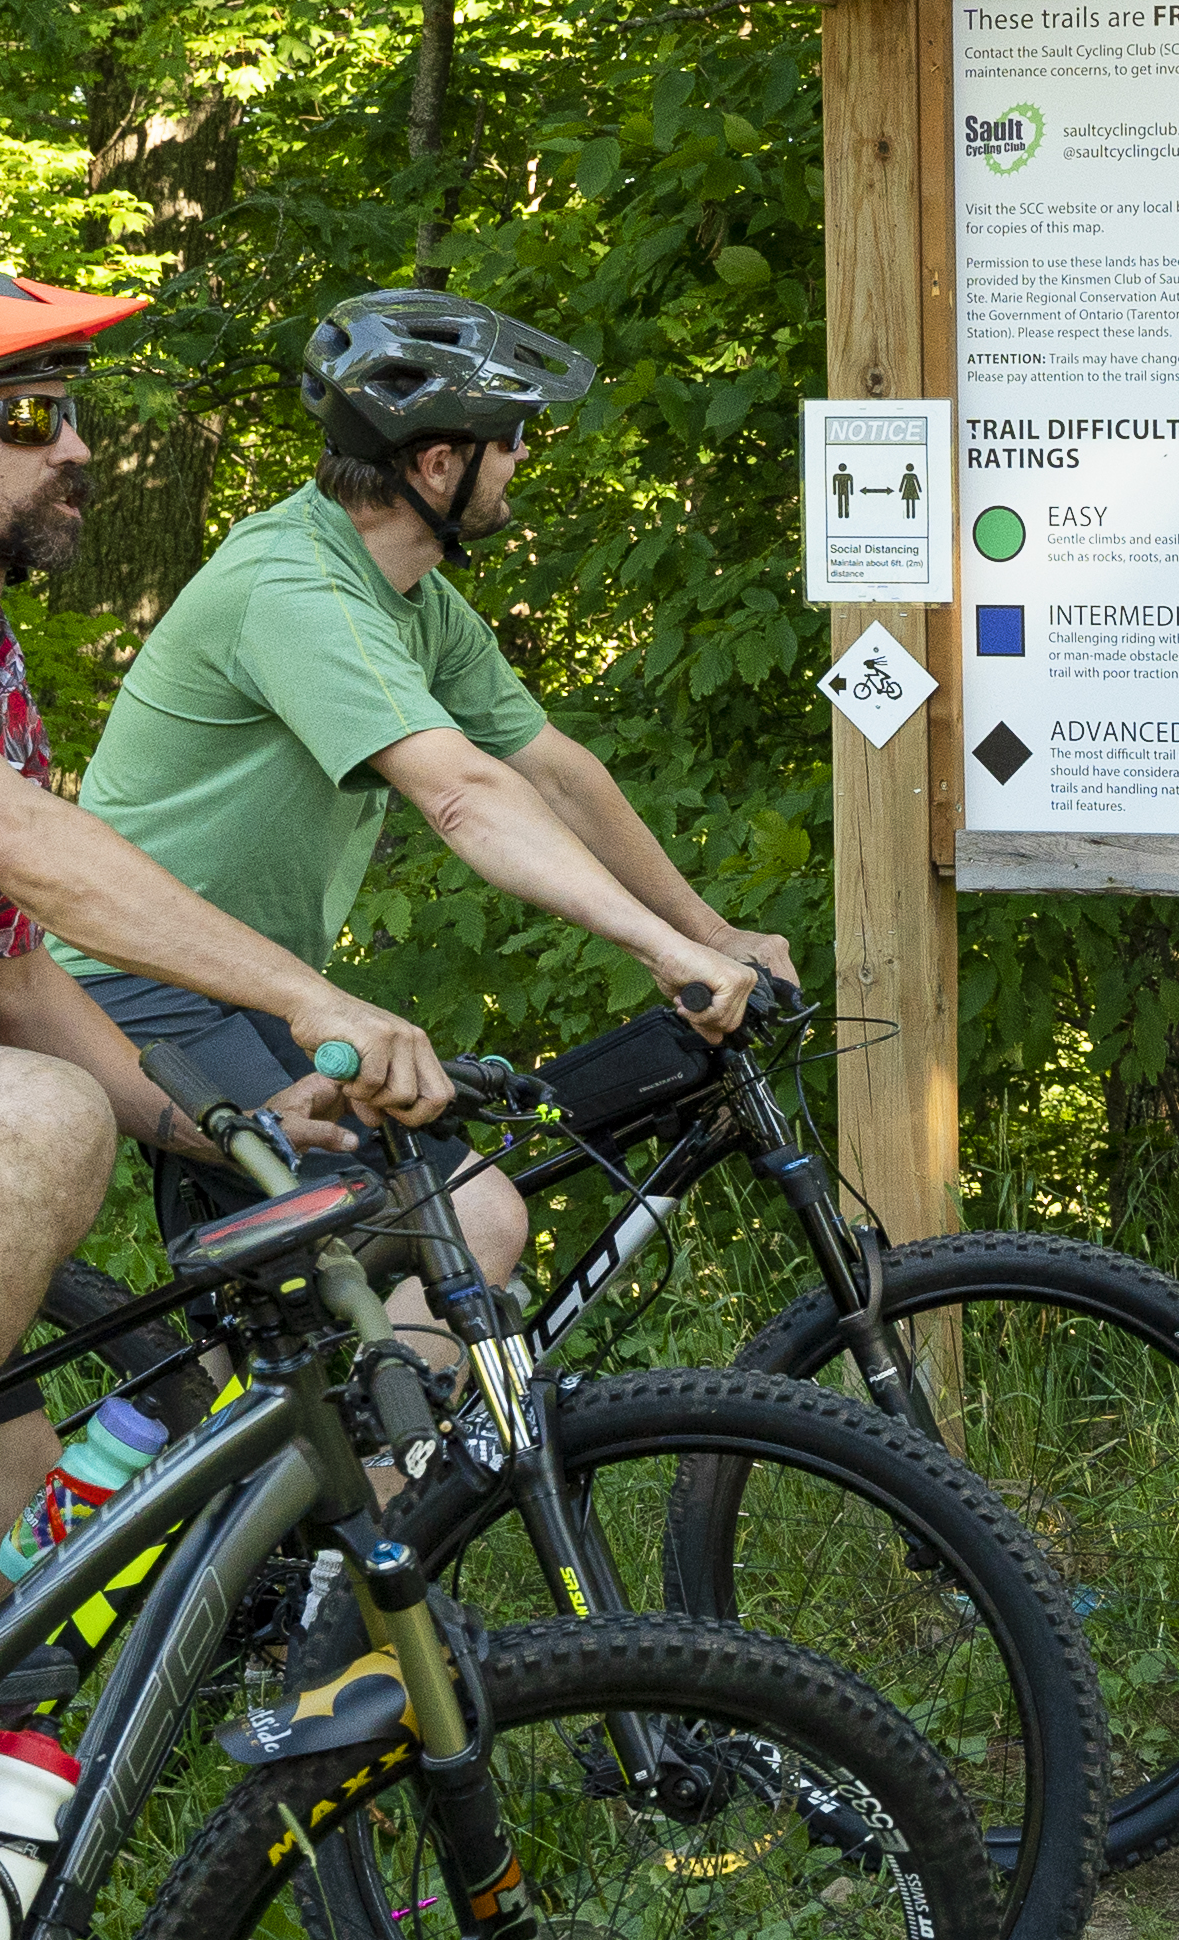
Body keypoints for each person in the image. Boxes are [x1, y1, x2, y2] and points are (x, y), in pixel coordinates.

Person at [67, 291, 792, 1752]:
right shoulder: (302, 588)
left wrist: (704, 933)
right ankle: (345, 1628)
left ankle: (263, 1572)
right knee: (472, 1221)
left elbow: (551, 768)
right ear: (434, 458)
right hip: (133, 989)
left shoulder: (402, 592)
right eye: (511, 441)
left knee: (353, 1283)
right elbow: (457, 796)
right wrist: (658, 946)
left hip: (246, 988)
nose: (525, 467)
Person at [0, 262, 450, 1578]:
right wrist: (308, 998)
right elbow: (32, 851)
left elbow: (6, 976)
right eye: (27, 421)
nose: (77, 447)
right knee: (41, 1127)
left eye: (70, 413)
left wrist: (220, 1127)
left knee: (33, 1571)